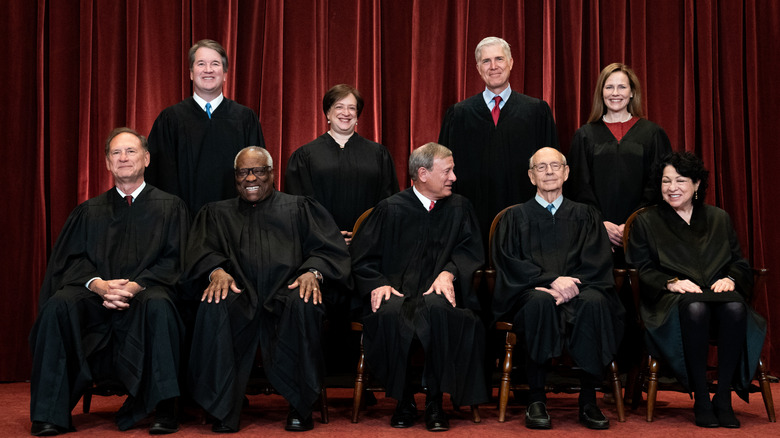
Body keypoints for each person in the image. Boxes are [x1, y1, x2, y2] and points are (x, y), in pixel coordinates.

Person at [29, 128, 190, 436]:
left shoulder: (171, 207)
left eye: (130, 151)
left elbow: (175, 260)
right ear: (107, 163)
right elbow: (70, 262)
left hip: (146, 293)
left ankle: (165, 407)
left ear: (146, 158)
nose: (123, 158)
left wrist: (135, 285)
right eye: (116, 153)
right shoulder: (89, 211)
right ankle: (49, 413)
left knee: (160, 305)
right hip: (96, 298)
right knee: (58, 306)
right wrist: (99, 285)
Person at [185, 147, 351, 433]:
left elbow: (328, 249)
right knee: (214, 304)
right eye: (243, 172)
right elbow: (200, 252)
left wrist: (312, 272)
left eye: (258, 171)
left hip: (287, 290)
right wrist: (217, 271)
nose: (251, 178)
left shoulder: (300, 208)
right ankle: (222, 406)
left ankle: (300, 405)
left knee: (304, 302)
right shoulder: (216, 213)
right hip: (239, 293)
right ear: (235, 177)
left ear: (271, 174)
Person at [350, 143, 487, 432]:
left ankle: (436, 402)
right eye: (447, 171)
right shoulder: (390, 209)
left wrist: (449, 273)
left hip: (440, 291)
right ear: (423, 174)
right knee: (389, 314)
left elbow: (470, 251)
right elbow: (362, 258)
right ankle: (404, 401)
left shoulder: (460, 207)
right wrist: (377, 284)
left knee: (438, 311)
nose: (454, 177)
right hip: (397, 291)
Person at [625, 151, 766, 428]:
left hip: (718, 293)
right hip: (669, 299)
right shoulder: (647, 221)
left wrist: (732, 279)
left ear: (697, 184)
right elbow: (640, 268)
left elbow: (739, 261)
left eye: (680, 180)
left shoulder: (718, 218)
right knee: (696, 307)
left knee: (736, 306)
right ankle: (701, 397)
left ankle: (723, 397)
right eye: (666, 181)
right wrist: (670, 282)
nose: (672, 187)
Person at [492, 147, 624, 430]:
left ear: (566, 172)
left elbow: (597, 261)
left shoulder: (586, 215)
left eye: (555, 166)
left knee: (594, 303)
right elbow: (510, 262)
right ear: (531, 176)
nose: (549, 172)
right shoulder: (514, 217)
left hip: (582, 288)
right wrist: (551, 280)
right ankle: (536, 400)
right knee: (538, 303)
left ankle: (589, 401)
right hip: (533, 290)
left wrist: (570, 286)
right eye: (541, 167)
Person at [438, 36, 559, 248]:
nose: (493, 66)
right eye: (486, 61)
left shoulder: (536, 111)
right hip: (471, 219)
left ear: (511, 63)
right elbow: (443, 171)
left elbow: (552, 171)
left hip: (526, 219)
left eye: (499, 59)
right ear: (477, 68)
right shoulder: (458, 114)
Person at [146, 39, 266, 215]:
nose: (208, 70)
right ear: (191, 73)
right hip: (183, 225)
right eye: (201, 64)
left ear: (225, 73)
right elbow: (158, 177)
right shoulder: (170, 120)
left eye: (215, 64)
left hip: (237, 222)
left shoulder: (245, 119)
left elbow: (260, 173)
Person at [567, 62, 671, 256]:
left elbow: (658, 186)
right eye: (609, 87)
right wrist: (600, 223)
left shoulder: (652, 134)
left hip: (643, 231)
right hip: (594, 233)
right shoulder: (585, 135)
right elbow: (579, 186)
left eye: (622, 87)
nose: (615, 93)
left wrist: (632, 223)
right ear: (601, 92)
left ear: (632, 92)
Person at [285, 84, 399, 244]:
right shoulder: (305, 156)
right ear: (328, 113)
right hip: (320, 245)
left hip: (369, 245)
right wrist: (328, 234)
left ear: (357, 115)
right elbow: (298, 206)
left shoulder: (378, 154)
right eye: (339, 107)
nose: (346, 113)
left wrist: (366, 233)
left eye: (352, 108)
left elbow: (388, 202)